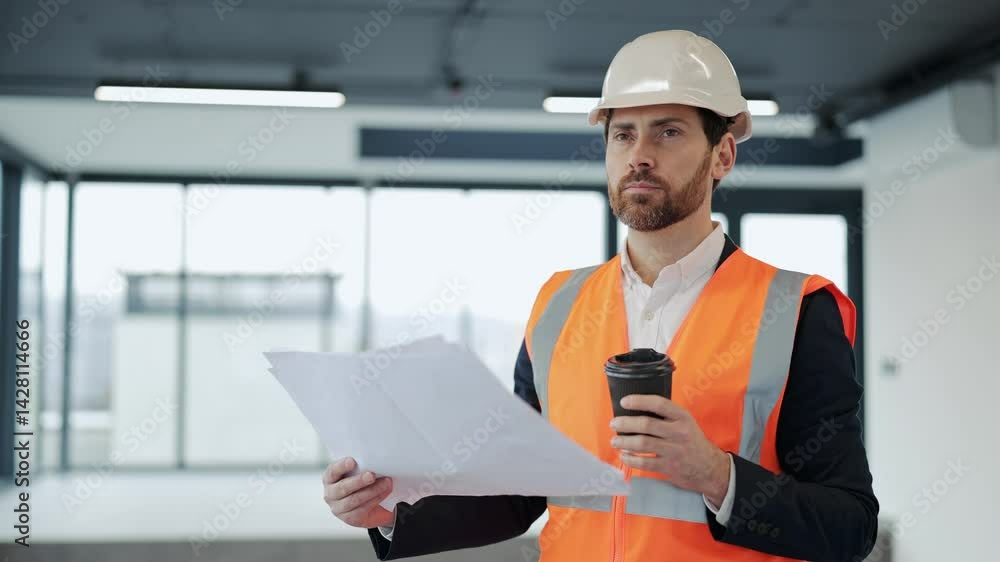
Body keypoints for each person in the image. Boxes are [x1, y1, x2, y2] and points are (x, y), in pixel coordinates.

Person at [321, 29, 878, 562]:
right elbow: (521, 490)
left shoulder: (797, 309)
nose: (640, 155)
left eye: (669, 132)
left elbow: (849, 526)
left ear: (723, 156)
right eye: (622, 134)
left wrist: (716, 474)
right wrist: (389, 511)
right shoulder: (558, 304)